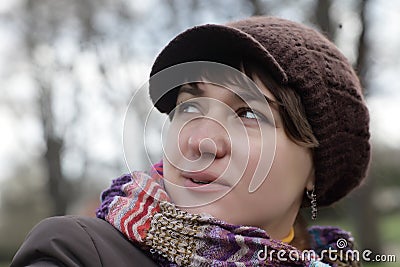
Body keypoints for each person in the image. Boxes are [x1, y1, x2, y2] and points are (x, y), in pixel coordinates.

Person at [11, 16, 370, 267]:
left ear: (316, 168)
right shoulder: (79, 251)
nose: (201, 141)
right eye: (190, 106)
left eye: (247, 114)